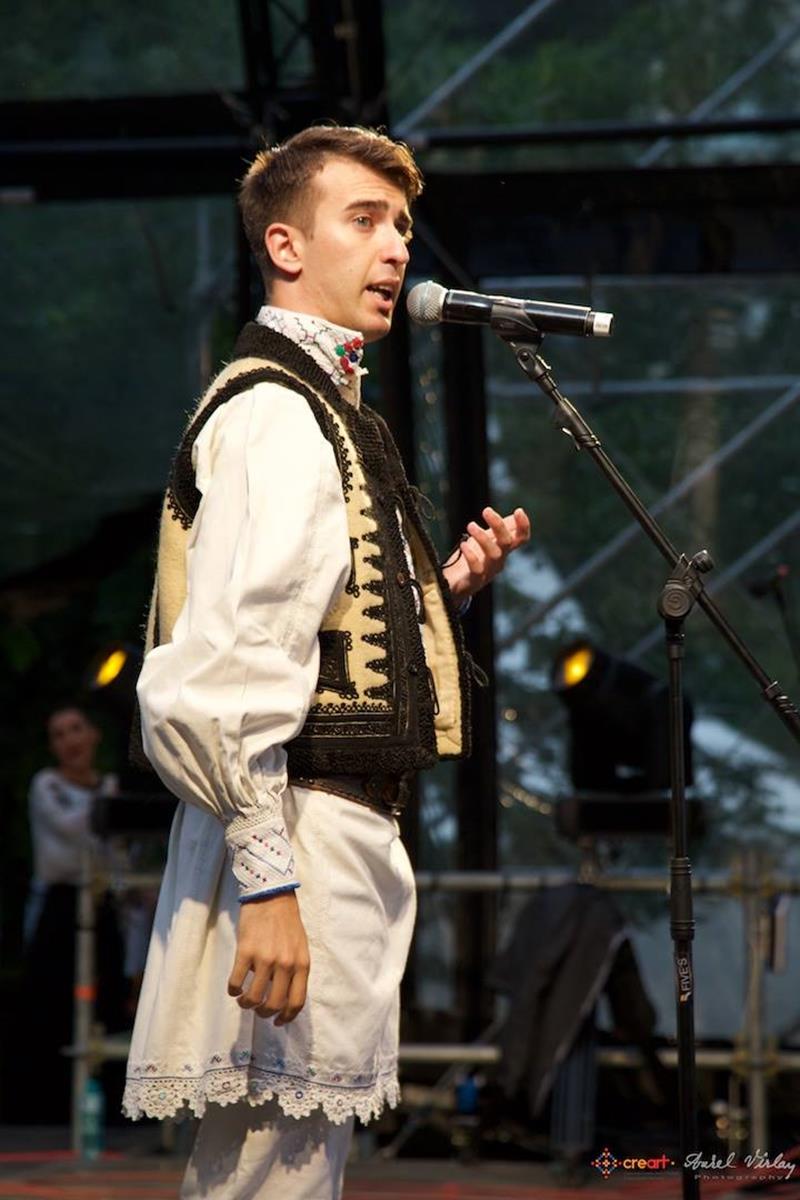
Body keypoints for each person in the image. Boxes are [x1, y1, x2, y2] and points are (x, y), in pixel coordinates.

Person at [123, 124, 530, 1198]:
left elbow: (306, 632)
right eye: (364, 220)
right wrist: (271, 883)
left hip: (318, 825)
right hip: (290, 825)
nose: (396, 247)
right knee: (274, 1174)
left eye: (402, 226)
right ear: (286, 246)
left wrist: (437, 596)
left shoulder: (326, 410)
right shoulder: (278, 414)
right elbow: (225, 667)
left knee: (284, 1169)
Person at [23, 704, 126, 1120]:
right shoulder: (46, 784)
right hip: (60, 903)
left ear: (93, 735)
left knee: (108, 997)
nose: (70, 741)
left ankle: (109, 1106)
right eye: (59, 734)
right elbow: (72, 828)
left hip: (102, 901)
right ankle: (47, 1108)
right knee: (51, 1002)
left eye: (76, 729)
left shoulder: (110, 785)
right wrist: (106, 803)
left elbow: (116, 850)